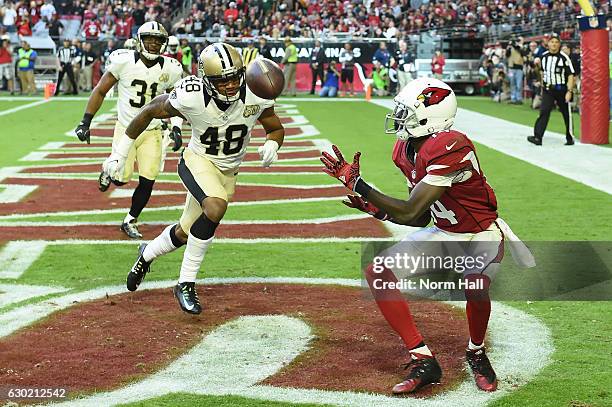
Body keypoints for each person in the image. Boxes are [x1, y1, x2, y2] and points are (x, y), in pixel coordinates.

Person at [321, 77, 532, 395]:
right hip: (445, 230)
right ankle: (423, 359)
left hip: (479, 233)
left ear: (431, 116)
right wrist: (378, 211)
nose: (399, 116)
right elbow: (419, 215)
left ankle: (476, 352)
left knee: (475, 284)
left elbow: (409, 211)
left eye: (406, 111)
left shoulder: (450, 145)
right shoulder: (405, 149)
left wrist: (359, 184)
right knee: (378, 272)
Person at [121, 43, 285, 315]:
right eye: (223, 81)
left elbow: (275, 128)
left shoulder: (256, 93)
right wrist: (121, 151)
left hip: (228, 171)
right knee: (216, 207)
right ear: (206, 81)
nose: (231, 86)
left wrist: (273, 144)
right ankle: (185, 284)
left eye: (235, 77)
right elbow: (150, 110)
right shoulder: (191, 96)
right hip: (197, 161)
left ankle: (145, 255)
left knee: (185, 232)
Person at [73, 22, 184, 238]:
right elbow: (101, 90)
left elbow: (177, 101)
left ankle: (130, 219)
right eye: (149, 39)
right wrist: (85, 121)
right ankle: (107, 170)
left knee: (148, 179)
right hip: (125, 128)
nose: (153, 44)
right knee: (121, 178)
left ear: (164, 43)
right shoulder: (123, 61)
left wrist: (176, 128)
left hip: (152, 131)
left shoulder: (171, 68)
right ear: (139, 41)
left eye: (158, 40)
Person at [528, 35, 575, 146]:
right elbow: (542, 71)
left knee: (566, 114)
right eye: (552, 42)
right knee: (544, 111)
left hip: (562, 89)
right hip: (548, 89)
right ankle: (538, 137)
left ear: (559, 44)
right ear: (548, 44)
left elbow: (570, 75)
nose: (554, 44)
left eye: (556, 42)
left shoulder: (564, 58)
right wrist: (542, 82)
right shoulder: (544, 57)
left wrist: (569, 91)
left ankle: (570, 137)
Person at [506, 38, 525, 104]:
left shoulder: (520, 47)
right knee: (512, 83)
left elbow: (522, 53)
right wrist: (509, 48)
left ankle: (519, 98)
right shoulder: (509, 49)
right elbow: (507, 55)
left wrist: (515, 45)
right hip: (511, 68)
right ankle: (513, 98)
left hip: (519, 68)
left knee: (519, 84)